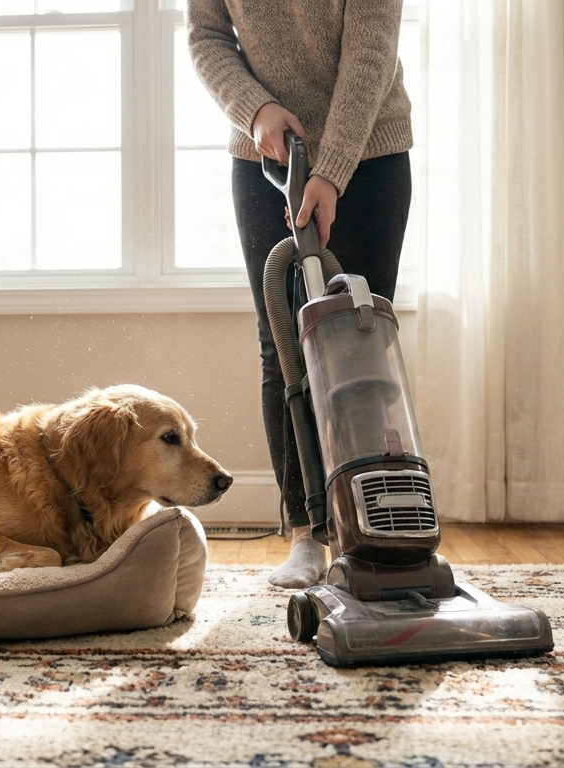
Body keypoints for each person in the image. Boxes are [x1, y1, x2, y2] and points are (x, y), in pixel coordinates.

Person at [188, 0, 413, 588]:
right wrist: (254, 109)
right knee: (283, 347)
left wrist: (331, 170)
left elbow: (372, 45)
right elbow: (207, 35)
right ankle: (307, 534)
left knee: (358, 343)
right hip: (266, 155)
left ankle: (371, 527)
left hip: (369, 153)